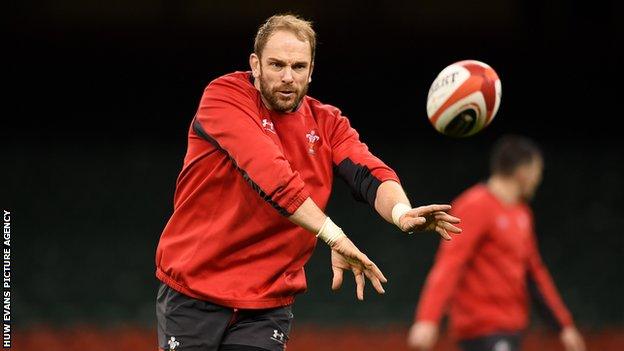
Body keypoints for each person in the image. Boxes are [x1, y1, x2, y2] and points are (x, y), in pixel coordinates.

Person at [155, 14, 461, 351]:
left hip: (267, 303)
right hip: (195, 289)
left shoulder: (327, 122)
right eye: (277, 65)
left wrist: (402, 212)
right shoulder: (224, 97)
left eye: (299, 67)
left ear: (312, 69)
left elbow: (369, 173)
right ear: (255, 65)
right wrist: (334, 236)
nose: (288, 77)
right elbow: (272, 176)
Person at [407, 135, 586, 351]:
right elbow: (450, 264)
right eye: (537, 170)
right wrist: (428, 318)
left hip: (511, 329)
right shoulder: (474, 205)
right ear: (523, 171)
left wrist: (563, 326)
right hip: (481, 330)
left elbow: (535, 275)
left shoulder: (523, 214)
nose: (538, 178)